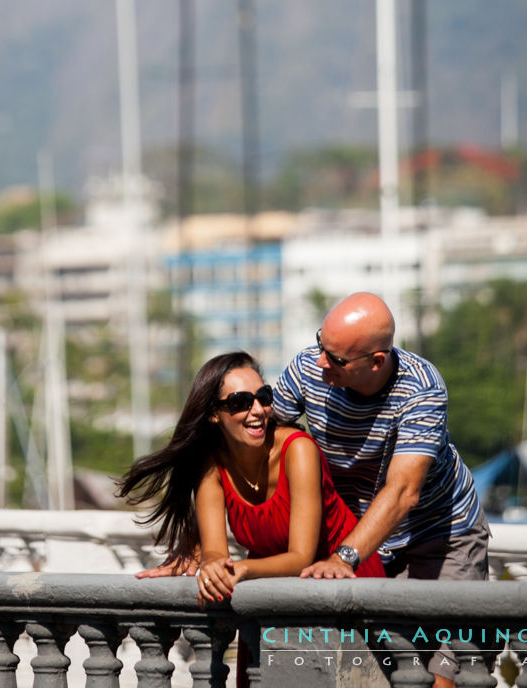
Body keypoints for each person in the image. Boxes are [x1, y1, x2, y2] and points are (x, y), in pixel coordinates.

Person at [273, 292, 489, 686]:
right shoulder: (307, 369)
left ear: (376, 360)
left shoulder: (421, 388)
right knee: (378, 672)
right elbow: (259, 445)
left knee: (445, 673)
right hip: (362, 534)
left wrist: (345, 557)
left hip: (439, 534)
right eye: (322, 343)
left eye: (336, 359)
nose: (321, 361)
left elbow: (404, 490)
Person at [118, 350, 385, 602]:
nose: (258, 410)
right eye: (240, 402)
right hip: (271, 592)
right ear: (213, 414)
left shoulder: (298, 450)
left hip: (342, 581)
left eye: (264, 397)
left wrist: (242, 569)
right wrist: (211, 564)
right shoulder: (210, 464)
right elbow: (216, 552)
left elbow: (301, 557)